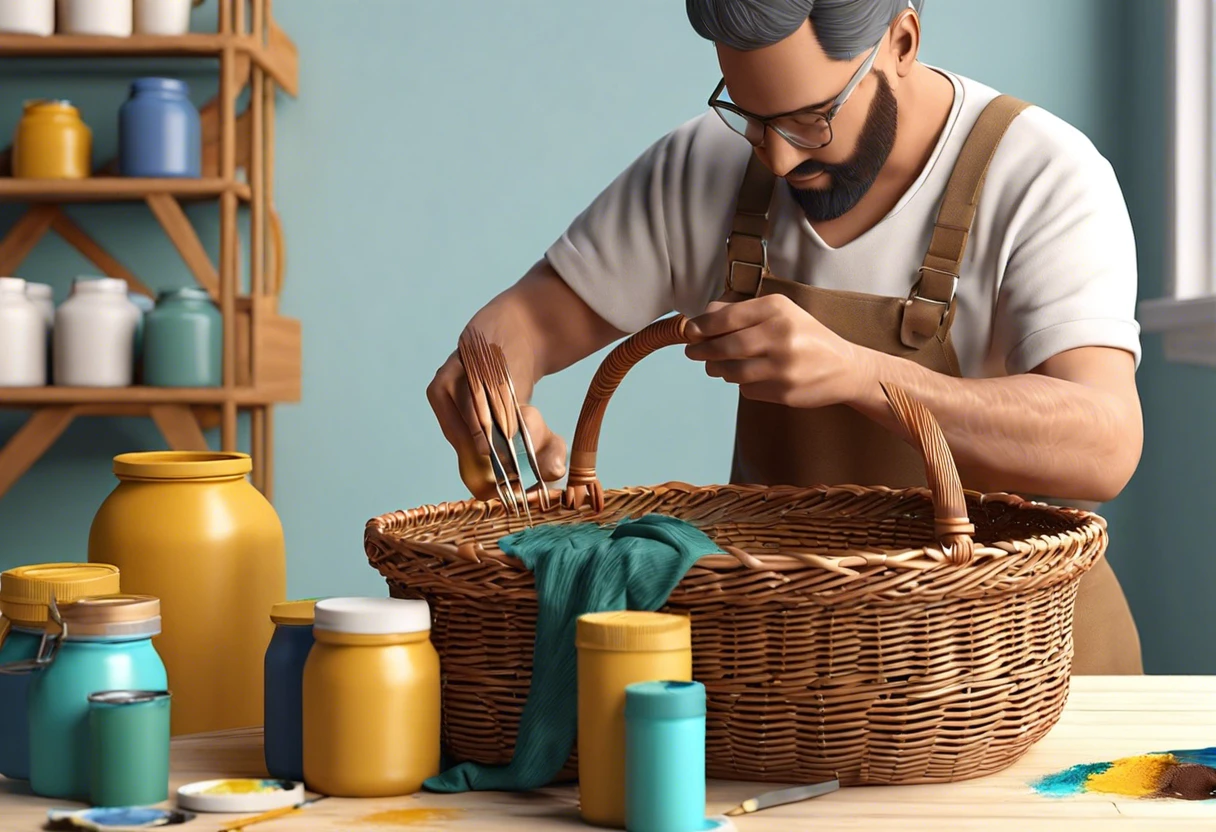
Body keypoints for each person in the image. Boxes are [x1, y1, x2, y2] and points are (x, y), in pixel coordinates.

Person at [427, 0, 1145, 675]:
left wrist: (864, 376)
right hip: (796, 678)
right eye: (748, 115)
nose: (775, 159)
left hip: (1020, 670)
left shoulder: (1043, 175)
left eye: (810, 119)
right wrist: (489, 381)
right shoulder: (704, 166)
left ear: (900, 41)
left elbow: (1104, 443)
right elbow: (522, 324)